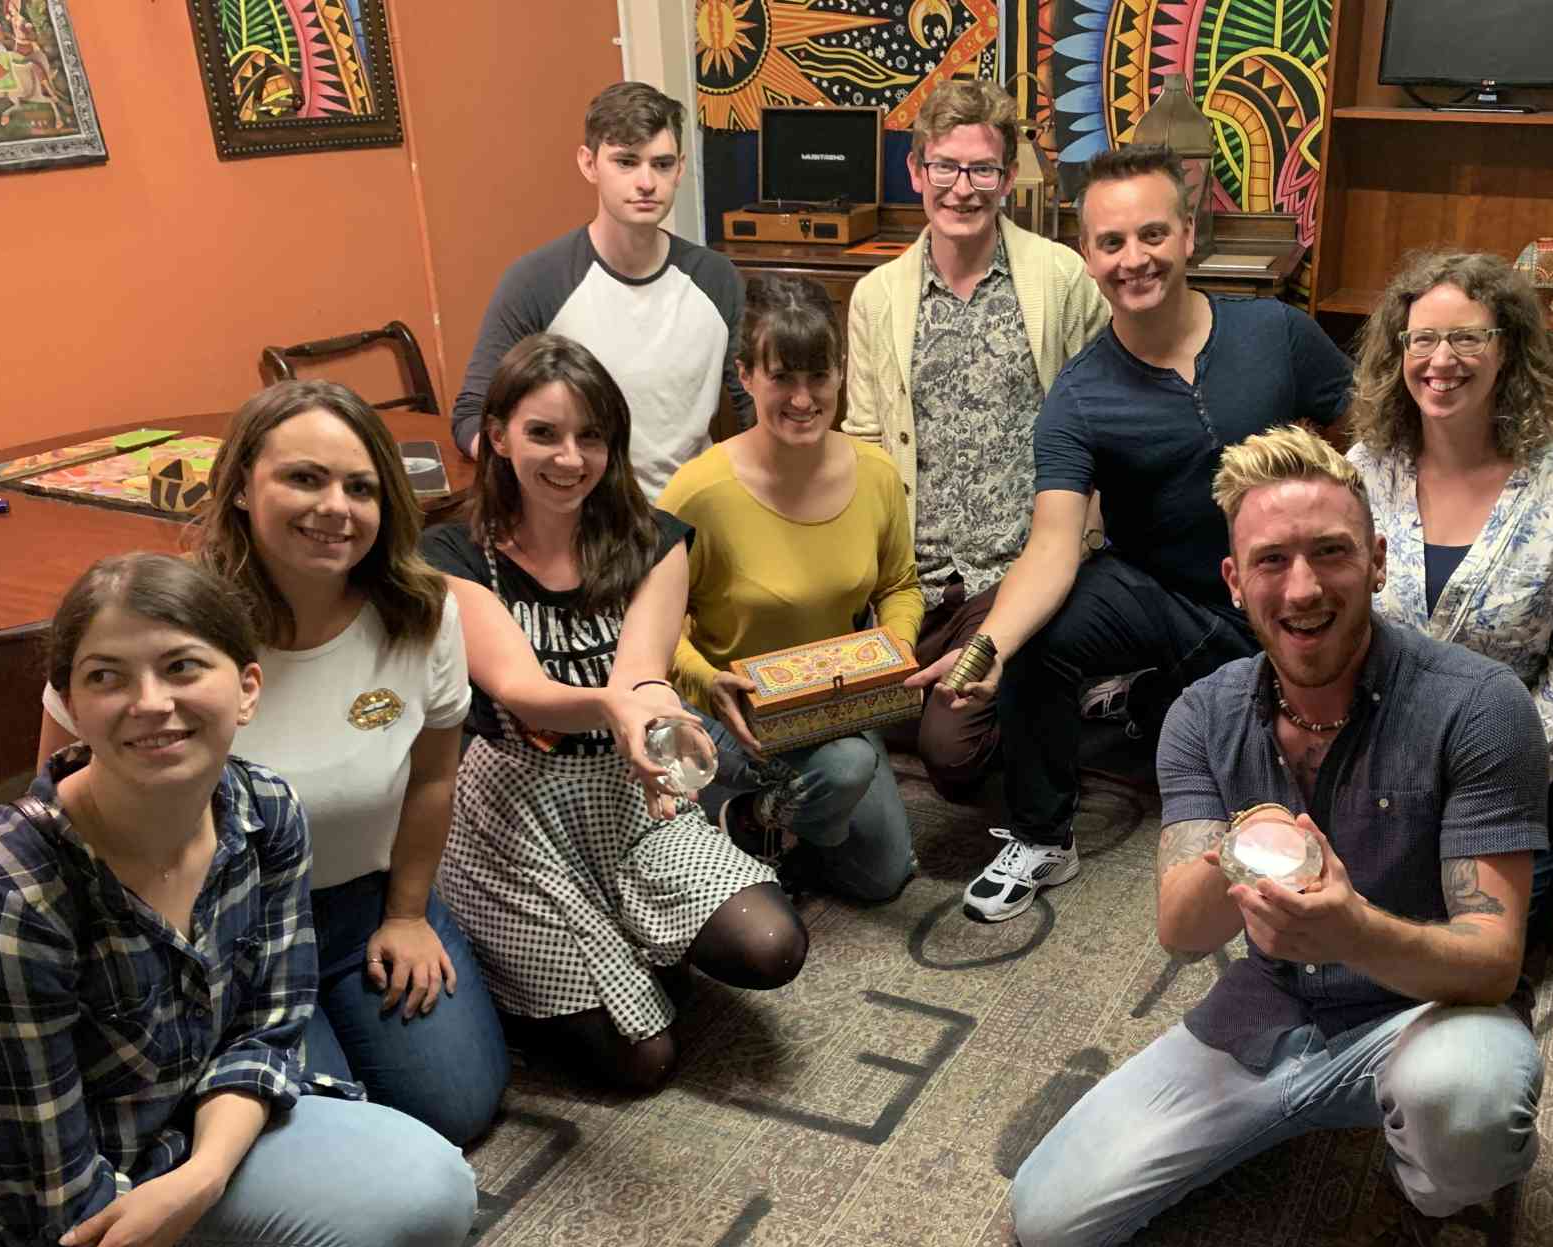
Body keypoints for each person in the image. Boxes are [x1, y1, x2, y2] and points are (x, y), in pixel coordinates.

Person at [0, 555, 474, 1247]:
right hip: (4, 1239)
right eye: (107, 676)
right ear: (70, 704)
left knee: (427, 1191)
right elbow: (42, 1201)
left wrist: (198, 1180)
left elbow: (267, 1031)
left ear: (247, 686)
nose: (151, 703)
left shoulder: (265, 810)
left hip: (166, 1155)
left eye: (183, 666)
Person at [1010, 427, 1547, 1247]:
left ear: (1377, 562)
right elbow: (1183, 932)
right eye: (1271, 561)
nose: (1302, 589)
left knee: (1472, 1104)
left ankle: (1419, 1198)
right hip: (1273, 1010)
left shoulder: (1479, 706)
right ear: (1234, 581)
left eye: (1331, 553)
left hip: (1427, 1011)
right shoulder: (1201, 715)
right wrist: (1243, 841)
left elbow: (1493, 961)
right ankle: (1282, 1117)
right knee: (1048, 1218)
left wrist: (1353, 930)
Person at [40, 382, 509, 1147]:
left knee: (456, 1108)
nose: (335, 507)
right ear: (239, 489)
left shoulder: (422, 612)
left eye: (360, 487)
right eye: (303, 478)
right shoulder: (163, 615)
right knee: (328, 1133)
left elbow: (433, 779)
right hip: (221, 927)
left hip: (363, 905)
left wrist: (408, 913)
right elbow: (65, 801)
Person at [909, 143, 1354, 923]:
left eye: (1152, 234)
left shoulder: (1276, 333)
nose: (1134, 259)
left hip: (1291, 595)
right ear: (1088, 255)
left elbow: (1364, 437)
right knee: (1041, 635)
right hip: (1164, 595)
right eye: (1111, 242)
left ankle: (1165, 701)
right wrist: (990, 647)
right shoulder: (1079, 397)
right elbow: (1052, 544)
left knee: (1319, 811)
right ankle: (1043, 835)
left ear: (1188, 234)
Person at [423, 333, 808, 1092]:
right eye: (543, 433)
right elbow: (523, 690)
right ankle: (519, 971)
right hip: (514, 815)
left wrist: (664, 722)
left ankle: (631, 953)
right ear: (497, 436)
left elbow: (641, 675)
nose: (570, 458)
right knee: (642, 1062)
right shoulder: (452, 554)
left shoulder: (652, 540)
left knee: (772, 946)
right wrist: (615, 707)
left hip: (627, 793)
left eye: (591, 437)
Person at [843, 78, 1108, 801]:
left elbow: (1102, 418)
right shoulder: (876, 296)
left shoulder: (1060, 279)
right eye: (946, 167)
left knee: (950, 756)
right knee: (850, 715)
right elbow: (863, 442)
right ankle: (1028, 693)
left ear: (1008, 177)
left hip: (1015, 572)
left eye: (982, 170)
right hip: (916, 578)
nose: (962, 189)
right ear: (916, 171)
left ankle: (1041, 680)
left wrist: (1084, 540)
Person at [1346, 250, 1553, 942]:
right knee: (1345, 925)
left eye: (1467, 338)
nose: (1442, 360)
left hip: (1519, 772)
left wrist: (1486, 777)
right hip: (1385, 762)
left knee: (1474, 953)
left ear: (1508, 350)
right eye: (1423, 339)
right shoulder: (1365, 469)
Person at [659, 272, 923, 903]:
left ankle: (767, 826)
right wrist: (706, 682)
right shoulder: (697, 493)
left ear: (841, 373)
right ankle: (748, 813)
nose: (803, 399)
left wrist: (892, 655)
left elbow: (900, 585)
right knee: (849, 769)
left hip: (837, 706)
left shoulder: (876, 474)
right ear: (746, 376)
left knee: (886, 877)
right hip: (732, 714)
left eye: (818, 376)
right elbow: (651, 630)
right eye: (781, 377)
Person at [451, 81, 751, 494]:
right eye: (626, 162)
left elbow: (753, 402)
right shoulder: (537, 281)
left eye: (662, 164)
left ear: (681, 168)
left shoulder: (716, 278)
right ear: (589, 164)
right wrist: (538, 482)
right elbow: (472, 413)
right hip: (580, 510)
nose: (646, 182)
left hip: (692, 508)